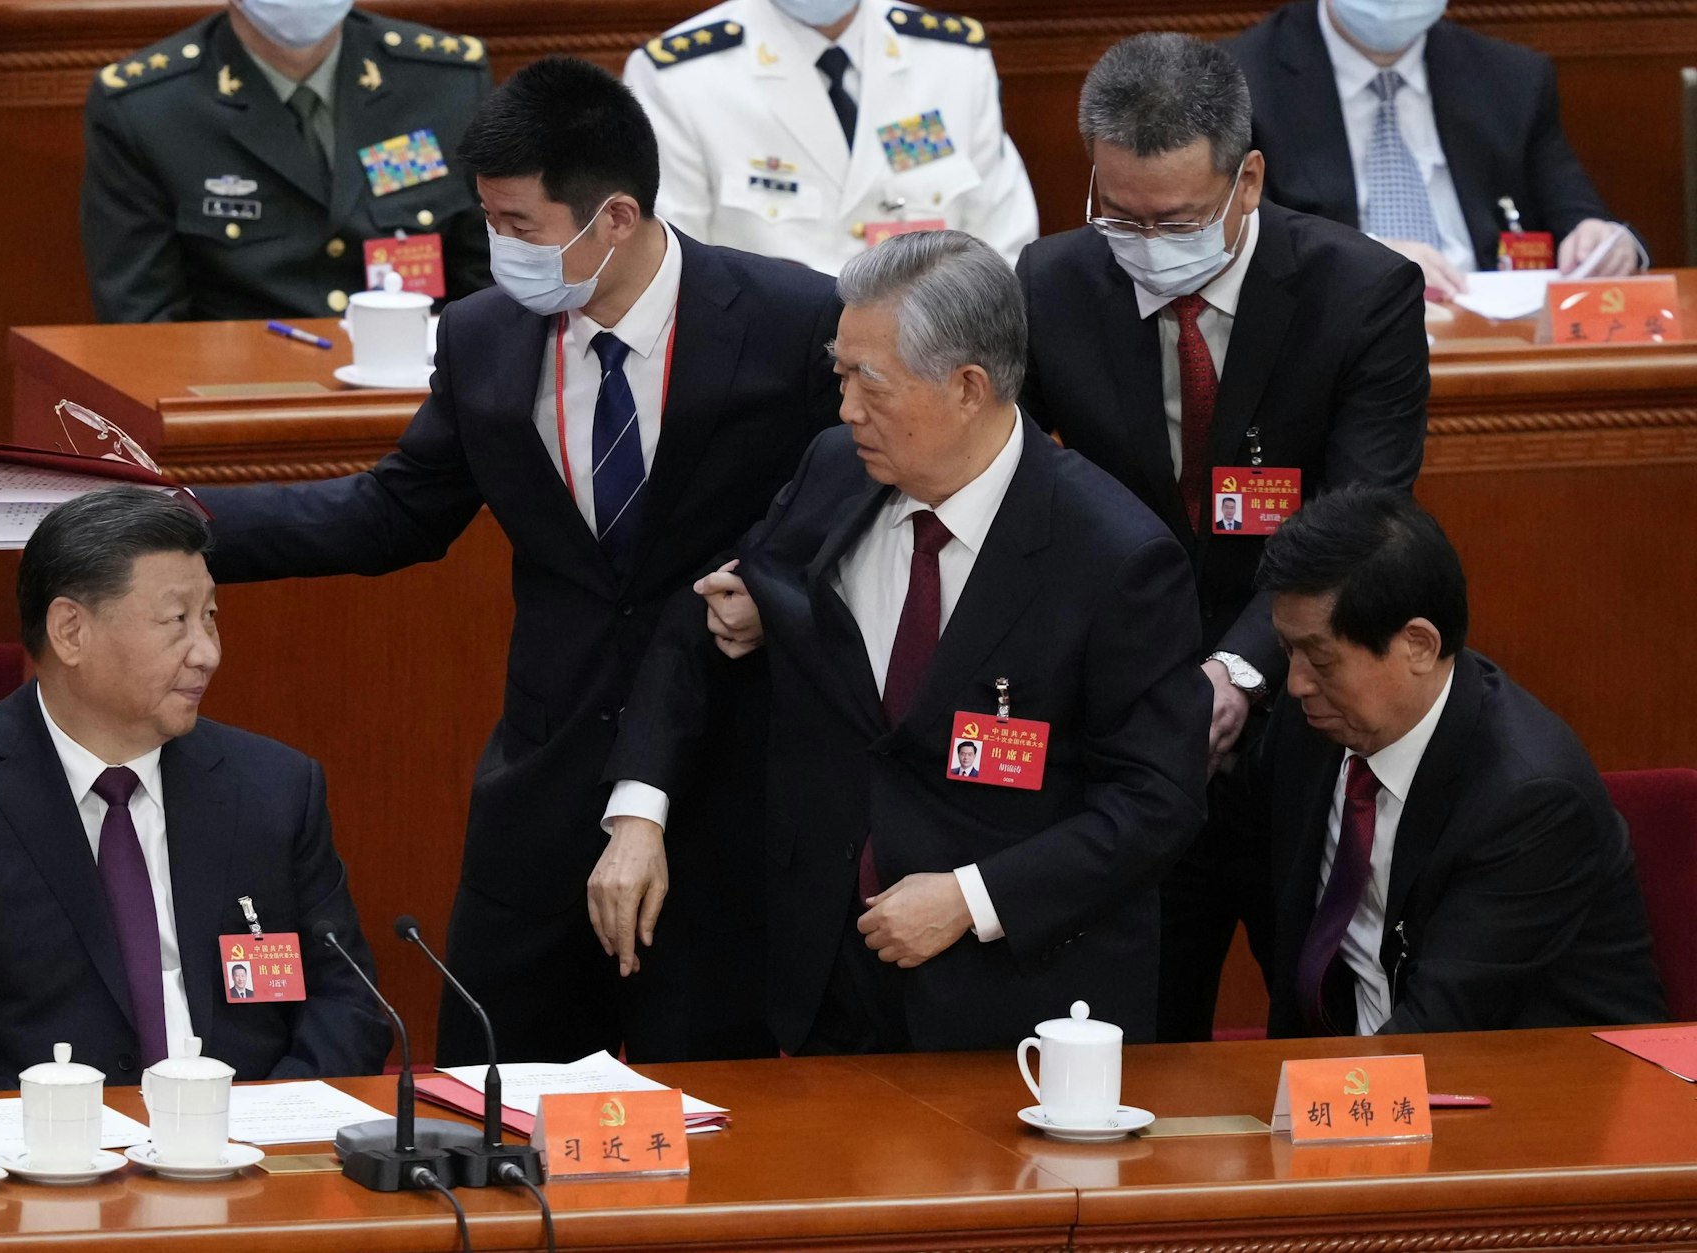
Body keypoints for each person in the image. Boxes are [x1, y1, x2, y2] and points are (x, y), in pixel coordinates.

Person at [189, 57, 844, 1066]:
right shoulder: (484, 335)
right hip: (545, 785)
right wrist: (178, 522)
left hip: (727, 784)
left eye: (518, 225)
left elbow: (864, 494)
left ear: (614, 218)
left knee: (715, 1110)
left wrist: (779, 586)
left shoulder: (793, 319)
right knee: (489, 1094)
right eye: (486, 219)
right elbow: (392, 512)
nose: (498, 247)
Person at [598, 231, 1210, 1053]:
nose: (846, 408)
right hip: (822, 980)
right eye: (840, 374)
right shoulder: (835, 470)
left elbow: (1157, 800)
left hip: (1011, 1010)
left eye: (871, 383)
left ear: (967, 387)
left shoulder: (1115, 557)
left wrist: (972, 898)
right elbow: (710, 614)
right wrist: (639, 810)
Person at [1014, 32, 1428, 1042]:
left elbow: (1359, 516)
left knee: (1318, 1020)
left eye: (1176, 220)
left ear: (1246, 181)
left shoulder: (1359, 291)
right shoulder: (1052, 280)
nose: (1146, 242)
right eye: (1120, 215)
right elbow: (1008, 477)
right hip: (1127, 722)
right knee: (1139, 1032)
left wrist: (1236, 672)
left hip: (1301, 712)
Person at [0, 488, 389, 1093]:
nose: (208, 653)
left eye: (210, 616)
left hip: (252, 1134)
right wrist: (61, 1135)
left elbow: (347, 1004)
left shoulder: (275, 787)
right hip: (46, 1141)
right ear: (70, 631)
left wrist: (264, 1120)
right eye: (176, 620)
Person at [1257, 487, 1666, 1036]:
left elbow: (1447, 1024)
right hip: (1367, 1063)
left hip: (1535, 1075)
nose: (1297, 683)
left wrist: (1324, 1087)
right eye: (1288, 651)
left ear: (1419, 645)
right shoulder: (1319, 717)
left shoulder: (1530, 799)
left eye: (1322, 659)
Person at [82, 0, 493, 322]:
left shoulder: (446, 83)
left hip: (422, 381)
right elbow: (143, 319)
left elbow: (489, 285)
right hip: (239, 392)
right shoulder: (147, 108)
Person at [1224, 0, 1642, 301]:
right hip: (1334, 331)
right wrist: (1365, 258)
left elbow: (1578, 214)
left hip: (1486, 329)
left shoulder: (1514, 78)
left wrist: (1607, 242)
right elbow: (1238, 239)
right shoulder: (1239, 80)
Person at [622, 0, 1038, 274]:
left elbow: (1004, 246)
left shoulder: (953, 60)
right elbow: (677, 268)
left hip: (936, 353)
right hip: (772, 363)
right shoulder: (678, 79)